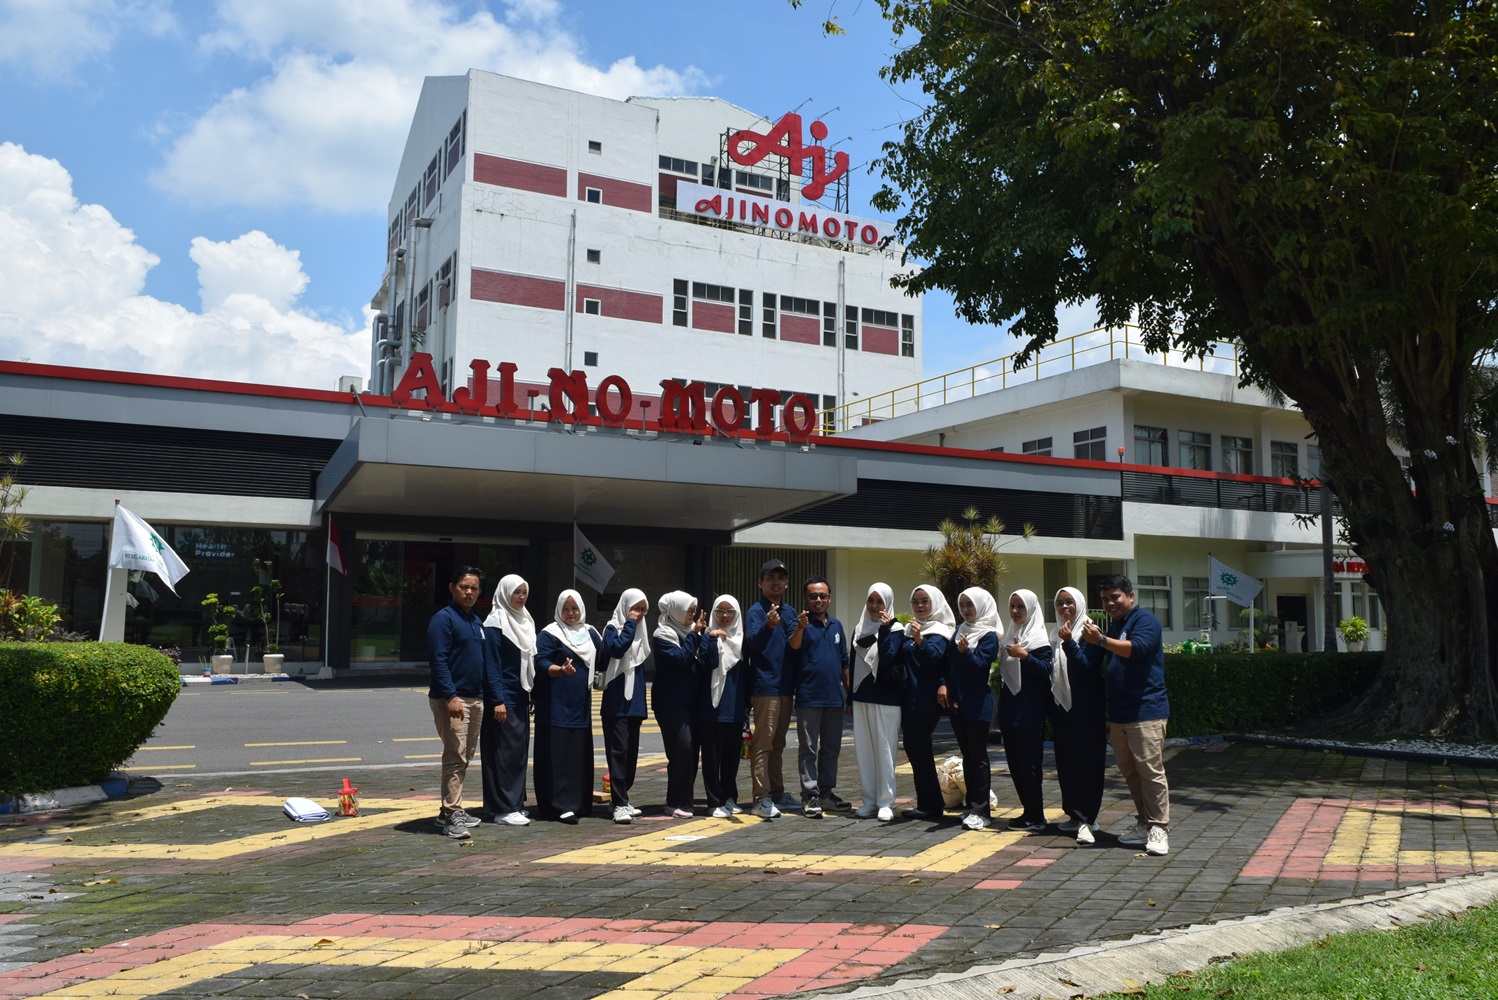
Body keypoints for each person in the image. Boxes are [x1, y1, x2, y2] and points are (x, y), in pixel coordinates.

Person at [1080, 574, 1171, 856]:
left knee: (1150, 772)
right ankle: (1144, 823)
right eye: (1105, 599)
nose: (1109, 603)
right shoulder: (1116, 625)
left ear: (1131, 596)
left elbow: (1137, 649)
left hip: (1146, 711)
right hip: (1120, 714)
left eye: (1115, 597)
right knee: (1131, 773)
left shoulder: (1145, 621)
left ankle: (1159, 828)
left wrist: (1100, 640)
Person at [426, 566, 505, 840]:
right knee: (454, 756)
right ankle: (451, 816)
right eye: (464, 587)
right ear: (452, 588)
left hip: (475, 698)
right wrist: (451, 696)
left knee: (465, 756)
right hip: (453, 699)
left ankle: (448, 810)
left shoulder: (475, 621)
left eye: (474, 588)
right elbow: (438, 661)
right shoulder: (443, 620)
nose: (469, 592)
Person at [534, 589, 607, 824]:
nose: (570, 613)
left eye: (575, 608)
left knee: (577, 755)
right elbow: (540, 662)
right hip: (555, 706)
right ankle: (558, 805)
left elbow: (605, 658)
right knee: (557, 756)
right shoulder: (550, 634)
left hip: (580, 706)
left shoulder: (590, 633)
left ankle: (579, 803)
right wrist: (560, 670)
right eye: (565, 609)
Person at [1049, 586, 1107, 846]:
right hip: (1063, 710)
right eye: (1060, 603)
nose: (1064, 607)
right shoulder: (1056, 633)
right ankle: (1074, 814)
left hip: (1087, 710)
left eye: (1069, 602)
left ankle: (1087, 819)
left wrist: (1069, 643)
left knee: (1087, 765)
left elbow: (1085, 667)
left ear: (1080, 604)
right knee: (1067, 764)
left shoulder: (1090, 632)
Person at [789, 576, 851, 817]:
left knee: (831, 749)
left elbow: (844, 662)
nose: (818, 600)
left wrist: (849, 694)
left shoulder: (836, 626)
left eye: (822, 596)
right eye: (813, 596)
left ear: (829, 598)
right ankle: (810, 796)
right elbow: (793, 647)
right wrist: (800, 628)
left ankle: (826, 794)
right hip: (809, 698)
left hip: (834, 698)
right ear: (806, 599)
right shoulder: (800, 624)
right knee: (808, 750)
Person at [942, 586, 1001, 831]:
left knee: (978, 758)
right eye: (962, 605)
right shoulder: (959, 631)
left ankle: (982, 811)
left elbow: (979, 667)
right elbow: (947, 664)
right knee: (968, 756)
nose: (965, 610)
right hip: (958, 705)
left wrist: (965, 652)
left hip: (977, 704)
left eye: (970, 605)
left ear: (982, 606)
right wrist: (943, 684)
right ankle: (972, 806)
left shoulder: (989, 635)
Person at [997, 588, 1054, 832]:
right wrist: (1000, 712)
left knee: (1029, 766)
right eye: (1012, 606)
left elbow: (1046, 671)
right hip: (1011, 712)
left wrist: (1024, 656)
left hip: (1030, 712)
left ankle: (1036, 815)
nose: (1015, 611)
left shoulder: (1038, 640)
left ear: (1031, 609)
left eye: (1021, 606)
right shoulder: (1011, 635)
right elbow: (1004, 680)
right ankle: (1028, 812)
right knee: (1015, 765)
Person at [745, 558, 798, 819]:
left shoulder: (791, 612)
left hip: (786, 688)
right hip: (765, 687)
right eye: (770, 578)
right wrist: (768, 625)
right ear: (760, 583)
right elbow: (751, 644)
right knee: (763, 743)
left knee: (778, 743)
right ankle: (760, 798)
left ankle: (777, 792)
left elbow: (796, 647)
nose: (776, 582)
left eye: (780, 578)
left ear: (786, 583)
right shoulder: (756, 612)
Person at [482, 573, 536, 827]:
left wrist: (532, 692)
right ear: (504, 593)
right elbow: (491, 666)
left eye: (524, 592)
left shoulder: (525, 619)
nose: (521, 597)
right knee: (503, 754)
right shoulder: (495, 621)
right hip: (504, 699)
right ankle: (502, 808)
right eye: (516, 592)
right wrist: (497, 700)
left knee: (518, 753)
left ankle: (515, 803)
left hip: (520, 696)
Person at [897, 584, 955, 821]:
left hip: (927, 698)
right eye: (916, 602)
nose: (920, 606)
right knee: (917, 749)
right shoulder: (911, 629)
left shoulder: (939, 631)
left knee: (917, 748)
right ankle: (929, 803)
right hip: (910, 696)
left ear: (935, 603)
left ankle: (930, 804)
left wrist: (920, 639)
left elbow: (935, 658)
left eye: (925, 601)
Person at [850, 583, 905, 822]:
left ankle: (885, 801)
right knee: (864, 750)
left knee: (884, 750)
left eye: (879, 601)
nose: (874, 606)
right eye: (870, 601)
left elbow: (889, 657)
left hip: (886, 698)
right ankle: (869, 800)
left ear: (888, 603)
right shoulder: (859, 628)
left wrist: (884, 629)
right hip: (862, 696)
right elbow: (853, 665)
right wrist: (849, 697)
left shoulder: (896, 629)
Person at [652, 590, 705, 818]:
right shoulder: (663, 634)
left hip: (692, 702)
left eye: (694, 610)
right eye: (688, 611)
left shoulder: (693, 631)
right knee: (682, 748)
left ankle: (679, 802)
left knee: (690, 753)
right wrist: (695, 634)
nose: (692, 615)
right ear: (676, 611)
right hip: (670, 703)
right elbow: (682, 659)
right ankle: (677, 801)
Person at [600, 589, 649, 824]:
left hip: (634, 704)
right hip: (616, 704)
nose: (638, 614)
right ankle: (619, 803)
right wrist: (629, 623)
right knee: (618, 753)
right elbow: (618, 649)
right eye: (634, 609)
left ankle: (621, 798)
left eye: (642, 610)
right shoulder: (612, 629)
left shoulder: (641, 634)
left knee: (630, 755)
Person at [697, 595, 749, 818]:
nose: (725, 615)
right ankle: (714, 801)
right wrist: (711, 637)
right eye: (720, 611)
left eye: (730, 611)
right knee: (712, 758)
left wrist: (747, 706)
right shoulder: (706, 637)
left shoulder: (742, 640)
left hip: (735, 708)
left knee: (731, 758)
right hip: (712, 708)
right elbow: (709, 662)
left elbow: (747, 675)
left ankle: (729, 797)